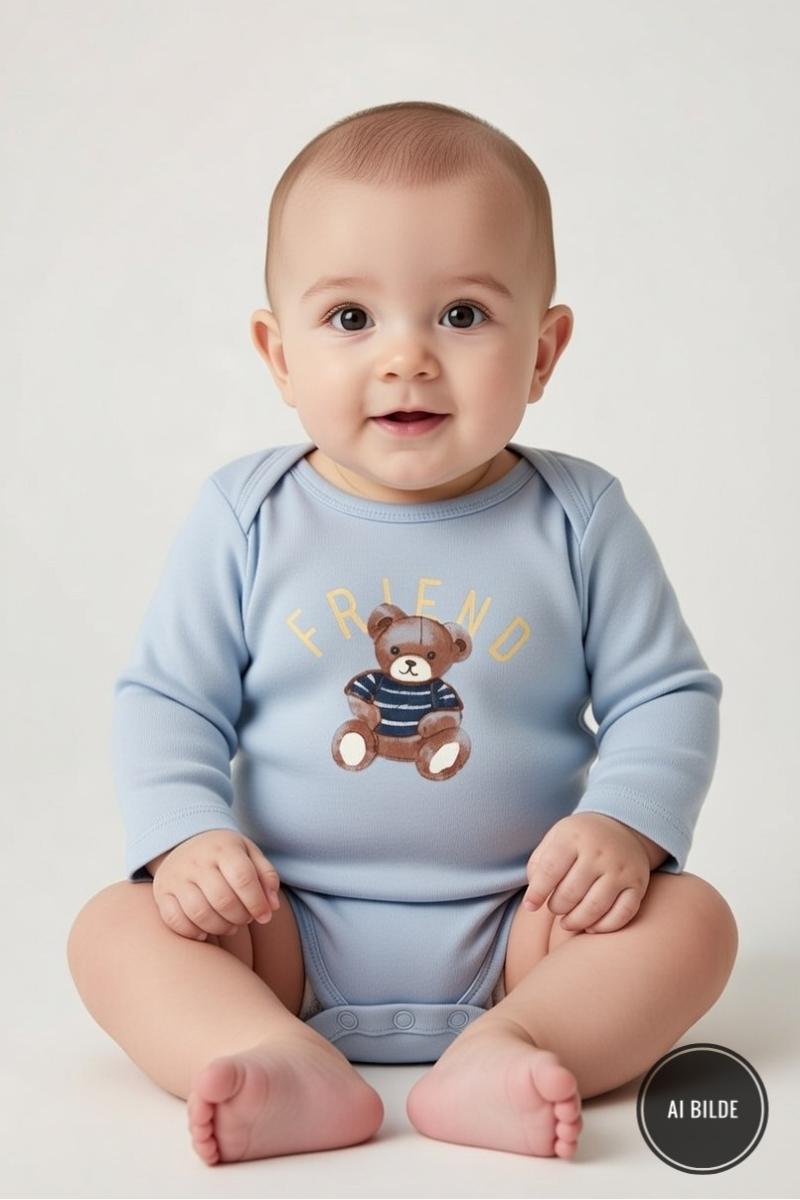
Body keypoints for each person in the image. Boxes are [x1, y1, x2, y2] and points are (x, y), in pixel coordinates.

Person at [66, 99, 738, 1167]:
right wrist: (185, 838)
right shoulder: (247, 514)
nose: (407, 358)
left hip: (528, 928)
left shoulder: (577, 517)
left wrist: (623, 825)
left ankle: (515, 1047)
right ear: (277, 354)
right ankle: (269, 1052)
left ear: (544, 350)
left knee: (693, 921)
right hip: (279, 926)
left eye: (462, 314)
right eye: (349, 318)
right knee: (113, 929)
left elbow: (663, 696)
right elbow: (170, 699)